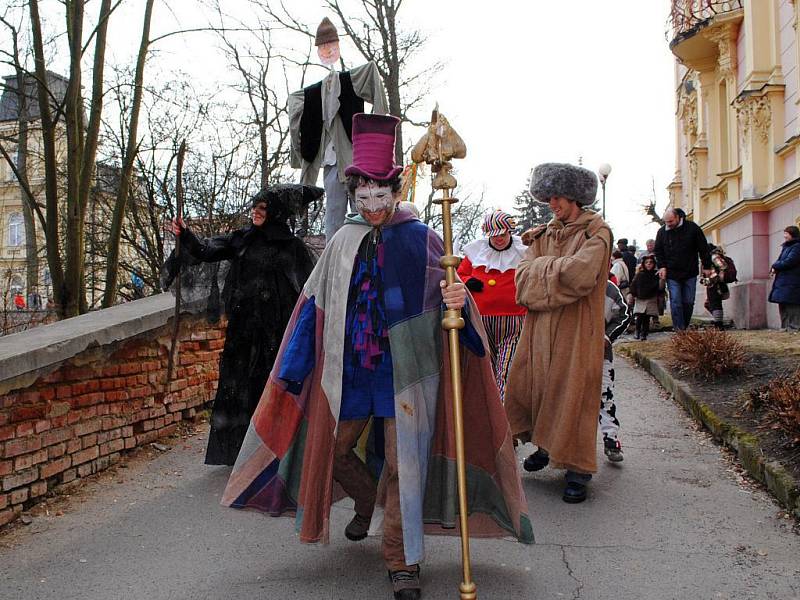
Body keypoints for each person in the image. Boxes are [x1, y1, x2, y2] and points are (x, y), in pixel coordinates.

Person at [221, 114, 533, 600]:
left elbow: (450, 300)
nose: (371, 208)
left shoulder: (420, 236)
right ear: (354, 194)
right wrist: (292, 370)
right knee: (336, 450)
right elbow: (314, 306)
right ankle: (368, 505)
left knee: (403, 464)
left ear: (394, 190)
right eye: (362, 198)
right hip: (350, 372)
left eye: (380, 198)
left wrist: (458, 304)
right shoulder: (341, 241)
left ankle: (400, 561)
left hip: (405, 373)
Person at [166, 184, 321, 465]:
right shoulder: (244, 239)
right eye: (254, 207)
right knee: (240, 387)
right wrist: (185, 234)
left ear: (275, 212)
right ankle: (240, 452)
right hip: (243, 330)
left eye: (262, 209)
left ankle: (274, 451)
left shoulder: (291, 247)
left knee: (269, 386)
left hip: (275, 333)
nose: (255, 213)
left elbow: (308, 289)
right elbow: (207, 250)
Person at [505, 162, 613, 504]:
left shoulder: (597, 233)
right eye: (548, 197)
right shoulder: (543, 235)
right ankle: (545, 446)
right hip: (538, 328)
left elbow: (580, 276)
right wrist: (550, 274)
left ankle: (578, 468)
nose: (552, 204)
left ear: (575, 198)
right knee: (535, 387)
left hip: (577, 329)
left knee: (573, 393)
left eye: (557, 197)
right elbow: (521, 279)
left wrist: (541, 272)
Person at [289, 17, 388, 241]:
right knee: (334, 216)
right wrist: (299, 154)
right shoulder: (311, 95)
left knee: (362, 211)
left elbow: (371, 73)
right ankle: (334, 257)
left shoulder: (349, 82)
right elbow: (293, 103)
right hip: (331, 163)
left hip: (354, 160)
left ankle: (365, 251)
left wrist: (377, 132)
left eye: (329, 46)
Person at [457, 209, 527, 401]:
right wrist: (468, 281)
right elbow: (459, 275)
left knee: (505, 372)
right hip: (481, 321)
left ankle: (504, 415)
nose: (498, 239)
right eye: (494, 235)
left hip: (514, 322)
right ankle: (491, 414)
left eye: (502, 235)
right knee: (487, 370)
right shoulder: (475, 251)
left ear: (509, 232)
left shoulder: (523, 252)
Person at [653, 207, 713, 331]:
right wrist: (662, 266)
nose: (668, 225)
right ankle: (679, 330)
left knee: (688, 301)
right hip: (672, 272)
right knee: (675, 301)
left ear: (678, 218)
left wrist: (707, 266)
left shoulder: (692, 228)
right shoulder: (662, 232)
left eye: (670, 222)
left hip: (689, 271)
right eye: (666, 222)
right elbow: (658, 251)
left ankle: (684, 326)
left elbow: (703, 248)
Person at [600, 281, 631, 462]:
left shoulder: (608, 288)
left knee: (604, 396)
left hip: (600, 354)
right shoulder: (569, 281)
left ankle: (610, 439)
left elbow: (624, 315)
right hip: (568, 353)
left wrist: (607, 336)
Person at [769, 225, 800, 331]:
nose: (784, 236)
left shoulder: (796, 246)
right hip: (783, 281)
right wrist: (774, 267)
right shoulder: (787, 246)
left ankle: (794, 327)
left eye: (786, 233)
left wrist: (775, 265)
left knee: (792, 305)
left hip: (792, 281)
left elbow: (789, 261)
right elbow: (781, 261)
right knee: (783, 304)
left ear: (792, 234)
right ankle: (785, 327)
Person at [628, 254, 664, 340]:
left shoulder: (655, 275)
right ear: (643, 264)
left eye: (651, 262)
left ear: (654, 264)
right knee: (640, 316)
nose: (648, 264)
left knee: (647, 317)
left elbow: (660, 288)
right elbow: (634, 285)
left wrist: (662, 279)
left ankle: (644, 333)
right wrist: (632, 294)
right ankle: (637, 331)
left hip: (651, 298)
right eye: (647, 262)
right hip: (640, 298)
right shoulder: (639, 275)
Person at [702, 244, 733, 330]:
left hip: (716, 284)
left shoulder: (713, 257)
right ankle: (718, 321)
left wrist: (720, 276)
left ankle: (718, 324)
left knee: (715, 303)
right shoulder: (712, 257)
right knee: (710, 304)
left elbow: (723, 266)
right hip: (712, 283)